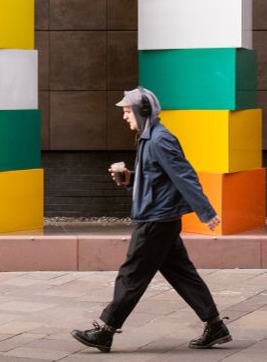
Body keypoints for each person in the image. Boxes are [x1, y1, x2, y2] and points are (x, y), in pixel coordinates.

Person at [70, 86, 232, 353]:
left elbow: (184, 176)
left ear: (142, 111)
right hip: (160, 217)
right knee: (182, 273)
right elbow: (156, 178)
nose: (124, 117)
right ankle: (215, 325)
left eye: (126, 111)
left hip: (157, 220)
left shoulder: (160, 140)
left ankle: (106, 331)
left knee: (131, 274)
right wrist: (129, 179)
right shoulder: (148, 138)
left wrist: (206, 212)